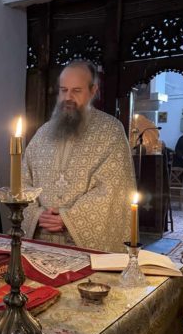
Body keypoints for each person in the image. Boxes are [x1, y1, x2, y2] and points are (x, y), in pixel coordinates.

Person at [23, 60, 136, 252]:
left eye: (76, 90)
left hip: (84, 247)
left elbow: (114, 190)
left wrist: (68, 218)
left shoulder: (110, 131)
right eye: (63, 90)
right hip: (39, 239)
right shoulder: (42, 133)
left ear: (93, 91)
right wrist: (36, 214)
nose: (68, 97)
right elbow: (23, 180)